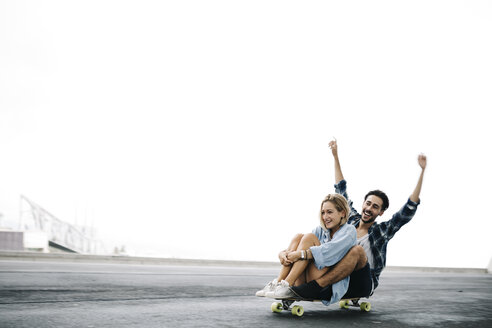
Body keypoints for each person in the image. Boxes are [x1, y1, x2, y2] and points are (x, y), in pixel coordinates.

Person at [290, 139, 427, 300]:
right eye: (368, 203)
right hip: (339, 275)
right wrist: (335, 155)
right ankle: (289, 285)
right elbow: (341, 190)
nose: (369, 208)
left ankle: (316, 287)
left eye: (375, 207)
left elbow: (408, 210)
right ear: (363, 204)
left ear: (381, 212)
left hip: (363, 281)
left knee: (357, 251)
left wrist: (422, 171)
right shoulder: (349, 221)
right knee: (305, 238)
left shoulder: (382, 231)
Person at [255, 193, 357, 304]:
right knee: (298, 236)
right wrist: (282, 254)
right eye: (323, 212)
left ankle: (287, 284)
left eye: (329, 212)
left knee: (309, 237)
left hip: (327, 282)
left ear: (342, 213)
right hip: (308, 276)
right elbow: (302, 245)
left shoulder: (349, 231)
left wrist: (300, 254)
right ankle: (278, 283)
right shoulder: (321, 230)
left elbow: (329, 252)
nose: (325, 217)